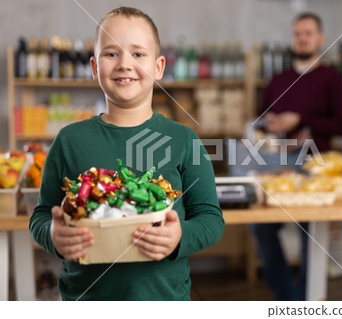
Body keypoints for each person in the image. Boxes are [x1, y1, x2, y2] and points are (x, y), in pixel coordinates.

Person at [29, 6, 224, 301]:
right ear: (95, 68)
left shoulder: (184, 139)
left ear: (159, 67)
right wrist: (54, 236)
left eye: (138, 54)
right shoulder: (68, 140)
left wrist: (180, 236)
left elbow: (210, 218)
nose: (124, 64)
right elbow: (42, 215)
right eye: (111, 54)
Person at [251, 12, 342, 301]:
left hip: (317, 165)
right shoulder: (278, 80)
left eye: (308, 33)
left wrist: (304, 122)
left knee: (313, 232)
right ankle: (288, 298)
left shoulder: (332, 78)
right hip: (279, 164)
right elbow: (261, 119)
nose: (302, 38)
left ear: (320, 38)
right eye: (298, 33)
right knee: (261, 226)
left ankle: (310, 298)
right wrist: (271, 124)